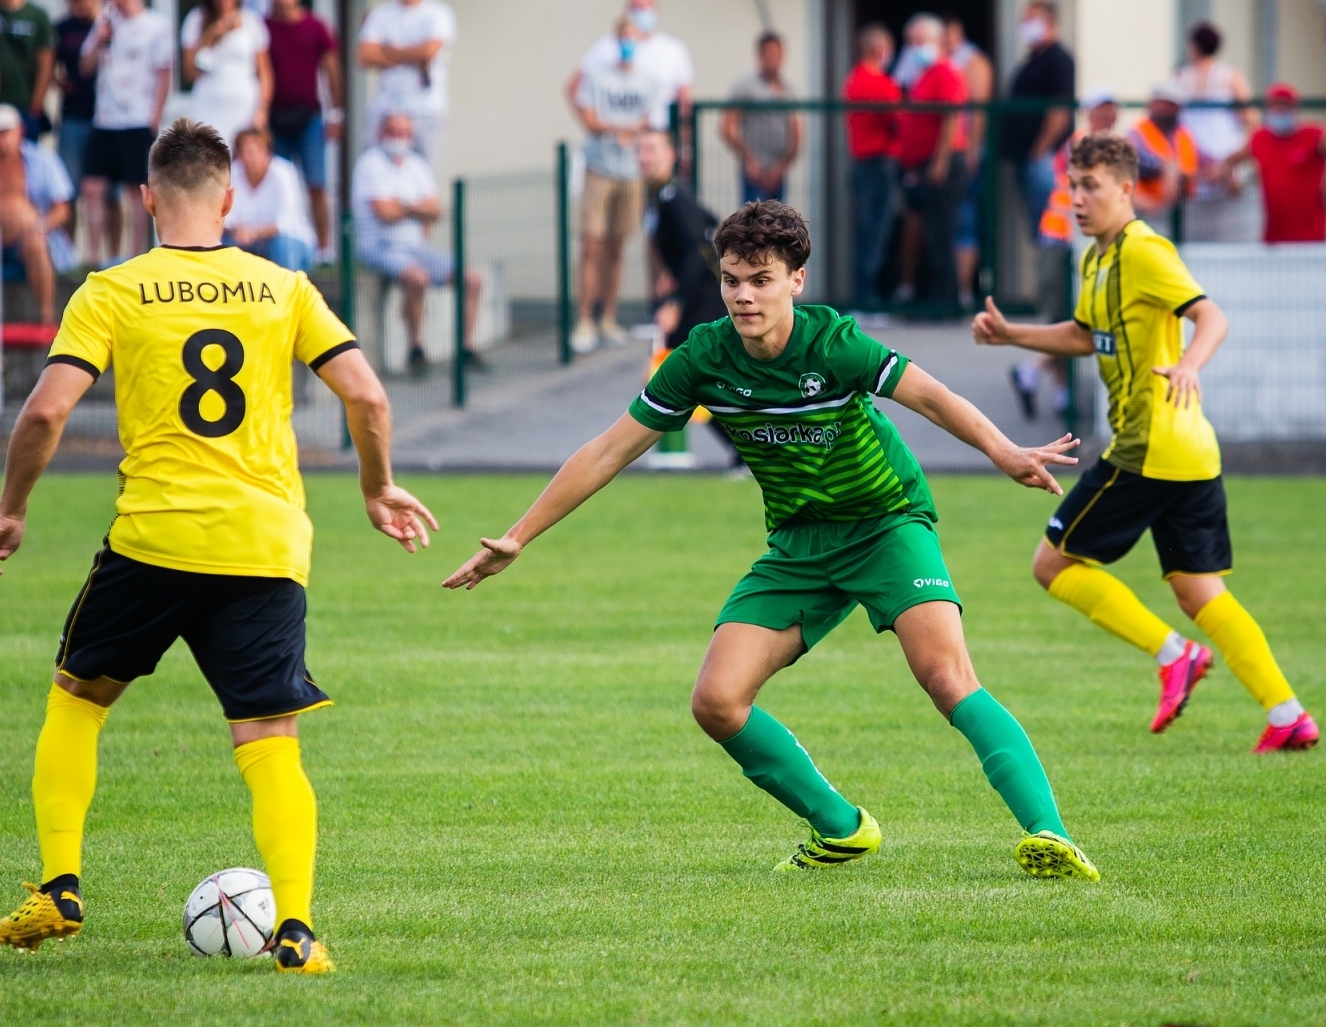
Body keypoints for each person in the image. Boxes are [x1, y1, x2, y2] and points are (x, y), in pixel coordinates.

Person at [443, 198, 1099, 882]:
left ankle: (1049, 833)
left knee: (946, 677)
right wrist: (518, 536)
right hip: (798, 543)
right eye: (732, 279)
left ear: (797, 280)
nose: (744, 294)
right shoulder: (703, 357)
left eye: (760, 278)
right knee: (716, 701)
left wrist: (1003, 450)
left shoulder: (833, 343)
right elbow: (609, 450)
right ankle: (842, 828)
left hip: (887, 523)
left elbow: (932, 396)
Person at [0, 118, 439, 972]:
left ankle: (61, 884)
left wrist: (11, 510)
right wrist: (376, 487)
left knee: (78, 698)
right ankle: (296, 930)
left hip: (152, 539)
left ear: (149, 199)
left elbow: (44, 410)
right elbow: (368, 398)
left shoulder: (111, 288)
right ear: (229, 199)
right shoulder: (285, 287)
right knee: (268, 738)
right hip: (262, 546)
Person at [972, 134, 1316, 754]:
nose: (1077, 199)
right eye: (1072, 186)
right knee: (1198, 590)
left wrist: (1188, 364)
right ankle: (1287, 713)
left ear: (1127, 189)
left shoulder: (1144, 251)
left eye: (1091, 187)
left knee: (1052, 564)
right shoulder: (1096, 259)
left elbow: (1212, 316)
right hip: (1191, 453)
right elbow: (1085, 335)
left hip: (1147, 445)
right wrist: (1012, 334)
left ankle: (1174, 654)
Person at [636, 129, 741, 471]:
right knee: (687, 380)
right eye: (640, 151)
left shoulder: (673, 197)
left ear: (671, 155)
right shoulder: (658, 197)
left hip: (701, 301)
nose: (644, 157)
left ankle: (748, 450)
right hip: (693, 297)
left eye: (652, 149)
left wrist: (675, 302)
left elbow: (697, 250)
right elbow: (704, 228)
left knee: (680, 376)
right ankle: (745, 450)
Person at [1013, 86, 1119, 420]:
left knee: (1068, 317)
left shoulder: (1096, 145)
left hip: (1074, 242)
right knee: (1066, 318)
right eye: (1102, 109)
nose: (1109, 115)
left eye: (1111, 108)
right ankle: (1039, 376)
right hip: (1063, 242)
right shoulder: (1084, 143)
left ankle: (1051, 386)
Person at [351, 111, 482, 377]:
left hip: (417, 247)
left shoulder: (417, 165)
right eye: (393, 132)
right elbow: (384, 214)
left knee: (472, 279)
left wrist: (402, 206)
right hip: (381, 246)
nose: (399, 138)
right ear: (381, 134)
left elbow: (435, 209)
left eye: (404, 133)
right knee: (416, 278)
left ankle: (467, 348)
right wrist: (416, 208)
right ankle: (416, 348)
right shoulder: (370, 164)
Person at [569, 17, 663, 355]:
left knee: (617, 245)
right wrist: (617, 129)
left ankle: (607, 316)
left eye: (632, 38)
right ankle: (584, 318)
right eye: (623, 37)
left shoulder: (648, 81)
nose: (628, 43)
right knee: (590, 243)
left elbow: (651, 120)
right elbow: (589, 116)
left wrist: (629, 132)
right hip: (599, 167)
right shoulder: (598, 76)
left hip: (631, 172)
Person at [0, 103, 74, 324]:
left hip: (28, 239)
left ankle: (46, 316)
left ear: (19, 130)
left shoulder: (42, 160)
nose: (0, 139)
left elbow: (62, 209)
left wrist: (40, 226)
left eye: (4, 132)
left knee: (35, 243)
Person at [80, 0, 173, 265]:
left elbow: (164, 73)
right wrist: (99, 39)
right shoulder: (105, 22)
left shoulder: (156, 26)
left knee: (136, 191)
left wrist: (154, 117)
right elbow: (85, 67)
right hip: (105, 118)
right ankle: (92, 255)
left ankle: (135, 256)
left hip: (137, 118)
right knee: (92, 187)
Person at [895, 14, 966, 309]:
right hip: (924, 164)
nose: (913, 47)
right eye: (910, 41)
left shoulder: (944, 71)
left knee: (941, 232)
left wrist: (940, 160)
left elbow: (950, 116)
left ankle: (946, 301)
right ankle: (934, 297)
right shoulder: (922, 74)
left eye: (918, 40)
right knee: (930, 231)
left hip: (941, 163)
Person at [265, 0, 341, 259]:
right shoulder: (264, 27)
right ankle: (289, 242)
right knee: (279, 184)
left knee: (316, 184)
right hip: (275, 120)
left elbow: (332, 70)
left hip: (309, 117)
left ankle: (324, 248)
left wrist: (336, 112)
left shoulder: (316, 26)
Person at [1176, 21, 1257, 241]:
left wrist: (1231, 162)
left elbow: (1249, 119)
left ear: (1195, 46)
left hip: (1221, 161)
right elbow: (1250, 118)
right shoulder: (1226, 75)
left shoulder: (1221, 76)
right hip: (1199, 160)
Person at [1003, 1, 1074, 245]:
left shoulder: (1058, 59)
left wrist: (1039, 152)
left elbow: (1060, 110)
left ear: (1049, 22)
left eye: (1031, 20)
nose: (1025, 27)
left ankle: (1056, 281)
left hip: (1045, 160)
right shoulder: (1032, 60)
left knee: (1051, 228)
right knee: (1038, 228)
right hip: (1028, 157)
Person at [1220, 83, 1326, 244]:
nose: (1279, 112)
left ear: (1294, 109)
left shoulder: (1314, 135)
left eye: (1284, 107)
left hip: (1314, 236)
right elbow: (1228, 162)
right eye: (1275, 107)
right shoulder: (1260, 138)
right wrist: (1232, 181)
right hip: (1274, 238)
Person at [357, 0, 455, 166]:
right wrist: (415, 56)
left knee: (422, 174)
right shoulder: (381, 14)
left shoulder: (438, 13)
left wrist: (389, 50)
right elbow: (365, 55)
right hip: (385, 108)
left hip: (425, 108)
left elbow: (430, 51)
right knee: (373, 167)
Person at [842, 23, 898, 312]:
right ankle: (868, 301)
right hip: (875, 164)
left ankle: (867, 298)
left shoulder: (853, 80)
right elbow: (899, 117)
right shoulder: (875, 83)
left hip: (865, 164)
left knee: (868, 232)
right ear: (879, 50)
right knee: (874, 234)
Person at [571, 0, 692, 134]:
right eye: (637, 8)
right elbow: (577, 91)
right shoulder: (604, 48)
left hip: (657, 137)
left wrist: (685, 138)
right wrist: (597, 128)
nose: (642, 13)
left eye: (646, 7)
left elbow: (683, 98)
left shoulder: (673, 50)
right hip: (610, 141)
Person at [722, 31, 801, 205]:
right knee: (752, 224)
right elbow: (727, 127)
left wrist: (781, 167)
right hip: (754, 171)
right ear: (759, 56)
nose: (773, 59)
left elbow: (796, 132)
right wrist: (749, 159)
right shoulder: (745, 87)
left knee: (779, 225)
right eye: (768, 54)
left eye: (776, 54)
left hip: (779, 173)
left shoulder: (788, 89)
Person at [945, 17, 992, 312]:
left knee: (965, 221)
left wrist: (973, 150)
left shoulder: (973, 62)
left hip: (965, 154)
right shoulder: (936, 64)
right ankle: (947, 291)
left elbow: (978, 109)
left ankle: (962, 292)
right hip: (945, 155)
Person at [179, 0, 271, 149]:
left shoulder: (251, 21)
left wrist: (262, 110)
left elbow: (264, 73)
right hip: (208, 107)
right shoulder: (197, 19)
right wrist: (212, 35)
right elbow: (191, 72)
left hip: (244, 109)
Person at [225, 126, 315, 271]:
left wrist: (254, 232)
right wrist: (239, 231)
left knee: (282, 245)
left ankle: (286, 292)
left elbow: (286, 222)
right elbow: (224, 216)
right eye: (244, 152)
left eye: (253, 152)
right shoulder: (232, 172)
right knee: (223, 245)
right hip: (245, 242)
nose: (249, 158)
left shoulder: (284, 172)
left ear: (266, 152)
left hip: (289, 244)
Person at [0, 0, 55, 142]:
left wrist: (36, 106)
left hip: (23, 105)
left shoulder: (37, 15)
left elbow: (46, 64)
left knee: (24, 159)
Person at [52, 0, 99, 240]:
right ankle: (68, 254)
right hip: (73, 114)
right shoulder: (62, 28)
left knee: (107, 194)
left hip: (106, 116)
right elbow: (47, 62)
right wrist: (56, 80)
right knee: (68, 191)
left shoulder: (109, 26)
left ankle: (111, 254)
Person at [1128, 82, 1198, 231]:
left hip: (1180, 211)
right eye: (1161, 103)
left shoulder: (1184, 135)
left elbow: (1195, 168)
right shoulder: (1138, 133)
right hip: (1145, 211)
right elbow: (1134, 159)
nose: (1164, 109)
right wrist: (1163, 167)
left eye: (1170, 105)